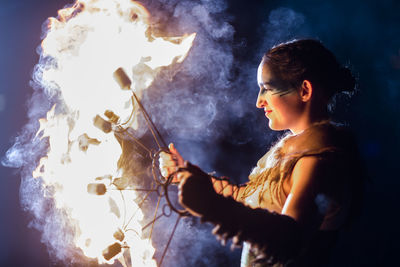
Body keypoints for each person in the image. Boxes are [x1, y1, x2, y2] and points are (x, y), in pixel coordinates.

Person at [159, 39, 363, 267]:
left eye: (267, 88)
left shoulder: (319, 162)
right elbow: (246, 199)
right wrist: (188, 175)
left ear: (304, 90)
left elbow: (290, 240)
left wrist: (213, 207)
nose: (259, 101)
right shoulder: (293, 153)